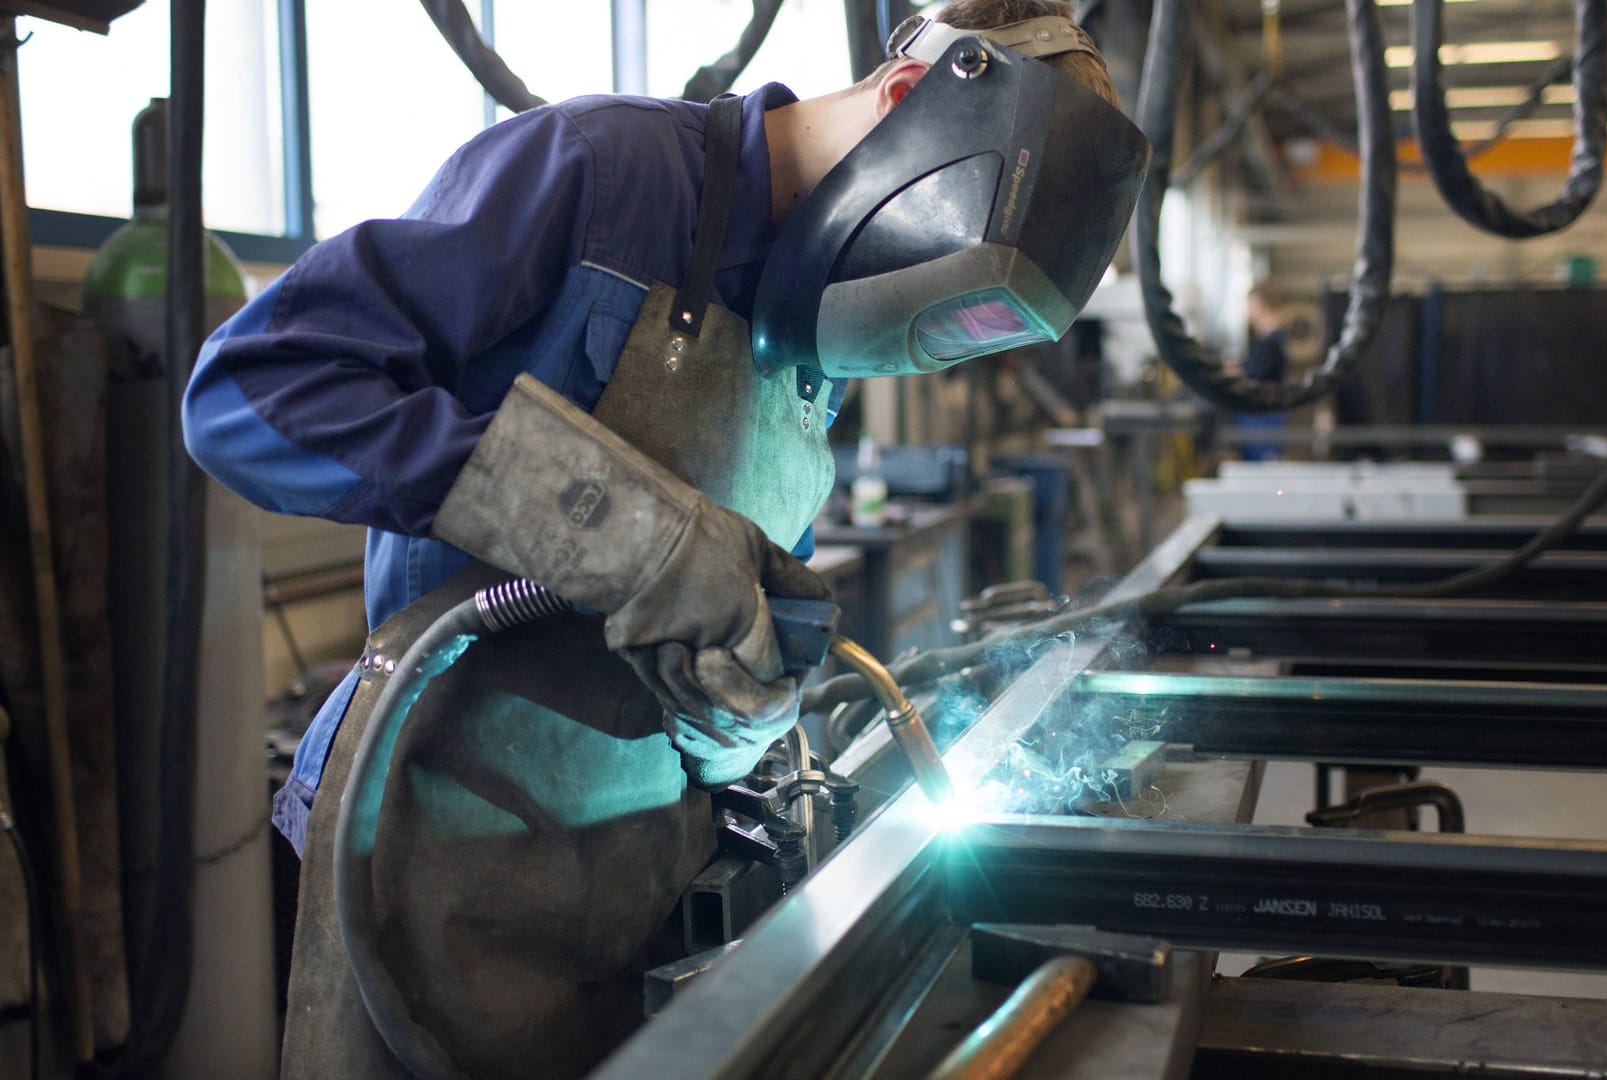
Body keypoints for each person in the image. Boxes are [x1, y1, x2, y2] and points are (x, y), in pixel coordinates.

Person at [181, 3, 1145, 1076]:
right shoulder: (598, 173)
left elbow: (710, 619)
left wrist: (744, 694)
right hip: (414, 868)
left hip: (633, 898)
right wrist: (613, 529)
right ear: (909, 99)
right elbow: (248, 392)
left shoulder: (812, 328)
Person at [1235, 278, 1291, 460]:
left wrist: (1234, 372)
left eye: (1251, 304)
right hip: (1259, 415)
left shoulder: (1271, 344)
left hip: (1263, 417)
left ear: (1261, 304)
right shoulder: (1267, 341)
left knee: (1263, 464)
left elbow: (1255, 376)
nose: (1248, 311)